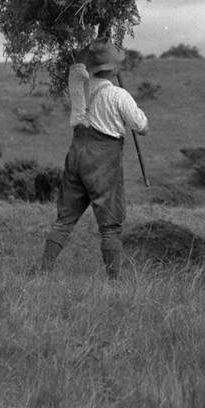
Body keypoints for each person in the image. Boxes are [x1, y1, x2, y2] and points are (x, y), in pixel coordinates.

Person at [35, 40, 149, 279]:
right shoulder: (118, 95)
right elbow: (141, 126)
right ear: (113, 69)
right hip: (103, 159)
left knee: (64, 218)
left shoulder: (77, 86)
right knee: (110, 224)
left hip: (76, 153)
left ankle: (42, 272)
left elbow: (77, 69)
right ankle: (114, 281)